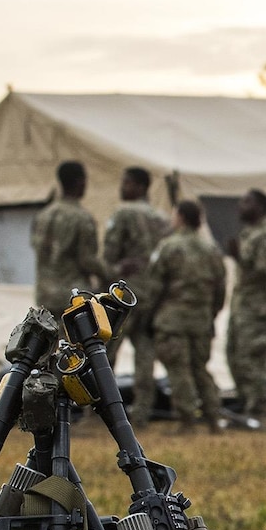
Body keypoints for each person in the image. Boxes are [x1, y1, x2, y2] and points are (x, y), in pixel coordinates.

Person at [148, 199, 226, 434]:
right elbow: (220, 288)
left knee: (179, 370)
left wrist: (150, 313)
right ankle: (214, 419)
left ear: (180, 217)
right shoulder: (211, 249)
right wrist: (211, 313)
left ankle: (186, 421)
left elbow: (155, 286)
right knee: (200, 368)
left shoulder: (168, 247)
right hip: (201, 319)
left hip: (173, 320)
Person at [102, 166, 169, 419]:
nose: (123, 187)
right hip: (151, 295)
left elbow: (109, 255)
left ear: (141, 187)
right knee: (145, 354)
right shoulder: (161, 218)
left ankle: (101, 410)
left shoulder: (123, 214)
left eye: (127, 183)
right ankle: (142, 410)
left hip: (124, 294)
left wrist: (110, 272)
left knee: (105, 353)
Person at [226, 188, 266, 425]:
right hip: (242, 304)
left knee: (252, 357)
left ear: (260, 207)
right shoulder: (249, 233)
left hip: (258, 306)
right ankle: (246, 404)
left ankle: (259, 407)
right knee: (234, 354)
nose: (241, 207)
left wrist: (239, 256)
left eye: (246, 202)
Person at [30, 160, 108, 314]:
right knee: (72, 338)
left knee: (51, 336)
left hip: (45, 295)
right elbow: (87, 260)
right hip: (72, 296)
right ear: (81, 182)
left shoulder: (42, 216)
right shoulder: (82, 218)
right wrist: (112, 272)